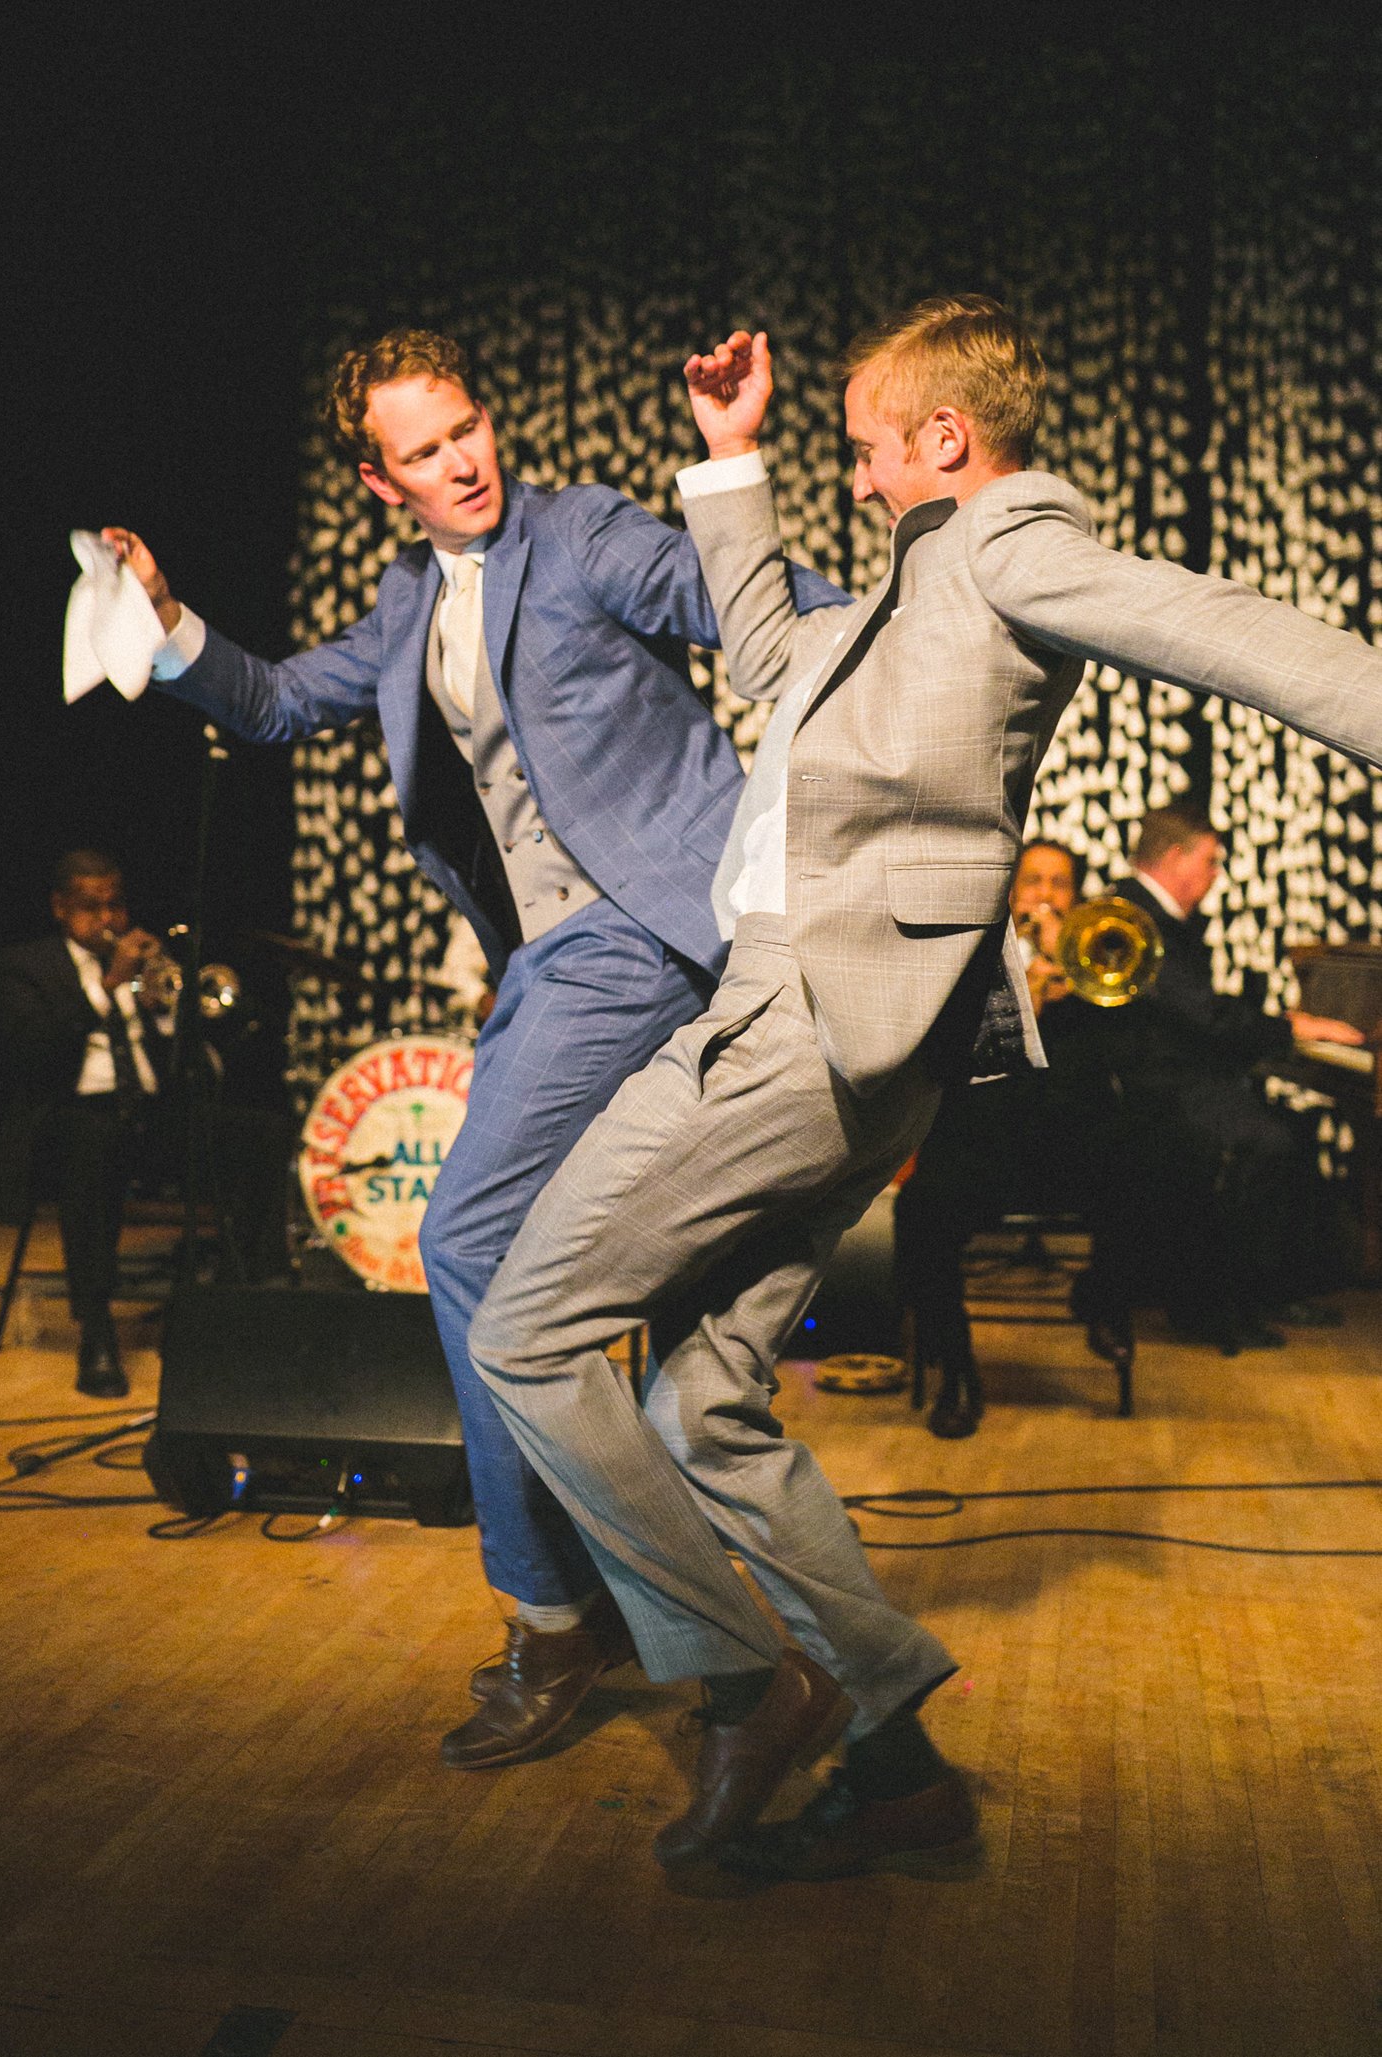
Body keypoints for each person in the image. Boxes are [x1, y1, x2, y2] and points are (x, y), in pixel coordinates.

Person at [465, 295, 1382, 1885]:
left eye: (871, 450)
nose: (861, 476)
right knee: (699, 1401)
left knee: (524, 1332)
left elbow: (1241, 634)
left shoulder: (1009, 548)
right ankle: (896, 1767)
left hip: (798, 1024)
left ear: (947, 437)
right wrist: (730, 457)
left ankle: (745, 1684)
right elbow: (770, 650)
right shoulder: (912, 580)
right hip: (847, 1042)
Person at [103, 328, 846, 1765]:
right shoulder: (405, 600)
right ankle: (654, 1608)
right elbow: (273, 702)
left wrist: (805, 542)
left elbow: (747, 600)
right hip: (546, 964)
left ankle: (556, 1615)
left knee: (465, 1244)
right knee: (564, 1287)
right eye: (425, 451)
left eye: (467, 428)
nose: (461, 462)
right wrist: (166, 615)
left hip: (640, 936)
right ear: (379, 482)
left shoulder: (582, 534)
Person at [0, 850, 291, 1396]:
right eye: (91, 907)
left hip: (151, 1115)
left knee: (262, 1133)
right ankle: (97, 1331)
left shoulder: (143, 969)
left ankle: (246, 1295)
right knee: (92, 1141)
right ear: (60, 907)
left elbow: (189, 1067)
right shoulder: (26, 966)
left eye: (116, 905)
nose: (108, 919)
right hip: (72, 1116)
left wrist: (164, 1011)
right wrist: (106, 987)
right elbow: (32, 1054)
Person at [894, 839, 1138, 1437]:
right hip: (982, 1146)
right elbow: (945, 1057)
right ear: (1009, 893)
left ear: (1076, 899)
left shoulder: (1098, 963)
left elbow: (1124, 1059)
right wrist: (1021, 1000)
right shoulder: (971, 958)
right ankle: (956, 1370)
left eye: (1060, 884)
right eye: (1034, 881)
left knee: (1148, 1165)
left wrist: (1073, 986)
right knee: (920, 1209)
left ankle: (1101, 1300)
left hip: (1062, 1150)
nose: (1046, 896)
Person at [1115, 805, 1363, 1349]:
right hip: (1157, 1088)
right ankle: (1219, 1304)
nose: (1216, 874)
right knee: (1269, 1141)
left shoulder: (1141, 912)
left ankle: (1261, 1289)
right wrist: (1288, 1027)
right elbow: (1201, 1014)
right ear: (1176, 857)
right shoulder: (1134, 918)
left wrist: (1278, 1027)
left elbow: (1195, 1009)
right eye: (1210, 861)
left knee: (1288, 1129)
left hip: (1171, 1078)